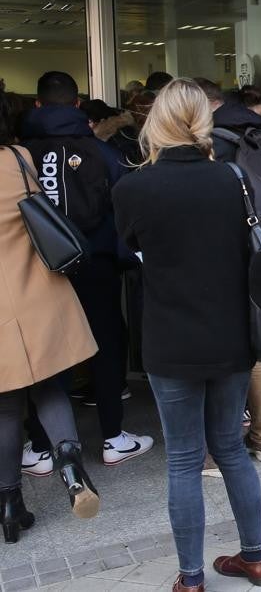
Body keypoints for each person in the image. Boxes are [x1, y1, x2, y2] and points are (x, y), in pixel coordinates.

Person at [112, 79, 261, 591]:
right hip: (229, 335)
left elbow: (130, 250)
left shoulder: (132, 187)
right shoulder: (231, 178)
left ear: (154, 121)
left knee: (183, 457)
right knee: (230, 447)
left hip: (169, 337)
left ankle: (191, 578)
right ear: (203, 121)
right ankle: (256, 559)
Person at [19, 71, 154, 468]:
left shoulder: (20, 155)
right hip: (95, 264)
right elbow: (124, 210)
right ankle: (113, 437)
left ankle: (41, 446)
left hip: (40, 268)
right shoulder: (103, 153)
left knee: (48, 351)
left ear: (38, 105)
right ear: (78, 105)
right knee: (104, 345)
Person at [0, 88, 102, 544]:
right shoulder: (19, 158)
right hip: (38, 294)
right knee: (49, 387)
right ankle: (70, 465)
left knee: (4, 407)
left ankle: (9, 504)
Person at [196, 78, 261, 464]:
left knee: (219, 347)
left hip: (224, 251)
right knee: (257, 345)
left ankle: (219, 450)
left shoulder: (218, 138)